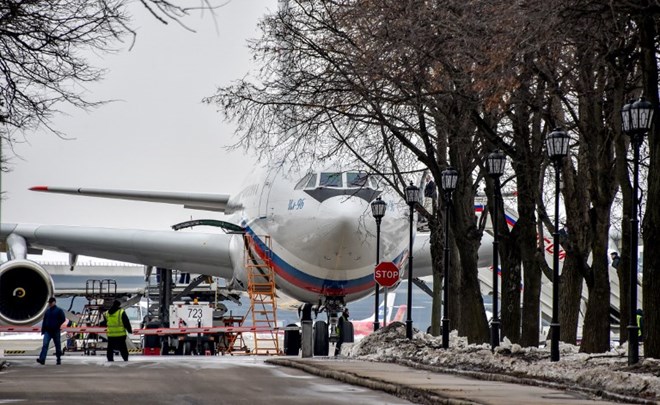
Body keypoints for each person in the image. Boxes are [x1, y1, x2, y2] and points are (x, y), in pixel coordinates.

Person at [37, 297, 66, 365]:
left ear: (54, 302)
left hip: (55, 331)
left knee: (57, 346)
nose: (49, 304)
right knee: (45, 345)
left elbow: (63, 319)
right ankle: (42, 359)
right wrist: (43, 330)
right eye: (49, 303)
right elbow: (45, 321)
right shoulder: (47, 311)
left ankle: (58, 359)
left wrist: (57, 325)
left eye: (50, 303)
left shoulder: (59, 310)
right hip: (48, 331)